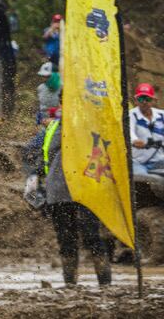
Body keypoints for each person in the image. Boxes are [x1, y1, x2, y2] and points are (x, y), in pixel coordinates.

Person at [20, 115, 112, 287]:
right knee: (66, 239)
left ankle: (105, 283)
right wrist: (34, 178)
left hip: (86, 192)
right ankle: (70, 283)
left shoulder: (91, 125)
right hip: (58, 192)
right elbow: (39, 154)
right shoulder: (53, 128)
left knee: (92, 236)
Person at [129, 83, 164, 178]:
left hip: (160, 161)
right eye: (141, 99)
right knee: (141, 178)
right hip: (139, 162)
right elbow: (129, 131)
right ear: (135, 101)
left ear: (153, 100)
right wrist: (135, 141)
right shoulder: (131, 115)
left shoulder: (161, 115)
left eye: (147, 99)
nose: (144, 102)